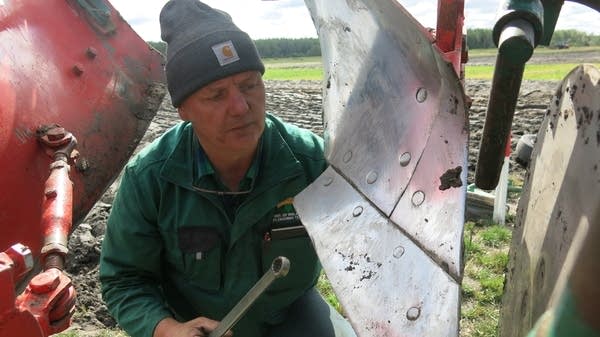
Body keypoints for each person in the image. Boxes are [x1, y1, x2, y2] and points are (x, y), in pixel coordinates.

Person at [99, 1, 357, 337]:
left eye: (249, 85)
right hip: (196, 328)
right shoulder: (150, 178)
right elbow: (124, 278)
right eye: (216, 94)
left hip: (288, 318)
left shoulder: (313, 163)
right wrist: (165, 329)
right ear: (183, 110)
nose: (240, 107)